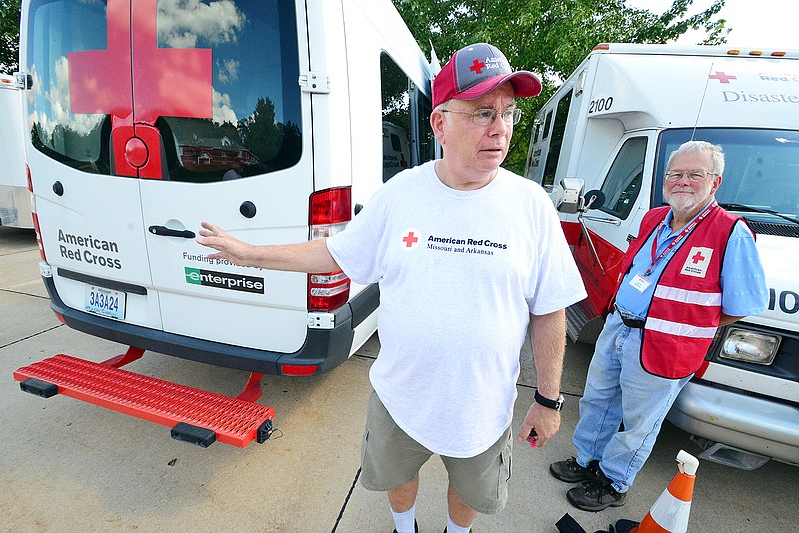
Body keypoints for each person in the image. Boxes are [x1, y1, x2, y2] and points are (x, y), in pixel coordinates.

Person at [197, 42, 586, 533]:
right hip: (401, 396)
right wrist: (251, 254)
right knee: (396, 475)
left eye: (508, 112)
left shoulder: (531, 205)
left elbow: (550, 310)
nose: (501, 127)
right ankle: (406, 528)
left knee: (470, 491)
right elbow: (337, 255)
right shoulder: (402, 193)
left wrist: (549, 400)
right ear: (439, 124)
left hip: (482, 406)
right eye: (483, 112)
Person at [550, 140, 767, 512]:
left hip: (666, 344)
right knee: (598, 400)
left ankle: (613, 481)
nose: (683, 181)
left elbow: (743, 304)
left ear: (715, 182)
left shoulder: (730, 232)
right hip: (619, 327)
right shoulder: (654, 218)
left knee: (639, 420)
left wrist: (689, 323)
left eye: (695, 174)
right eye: (676, 174)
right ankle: (586, 459)